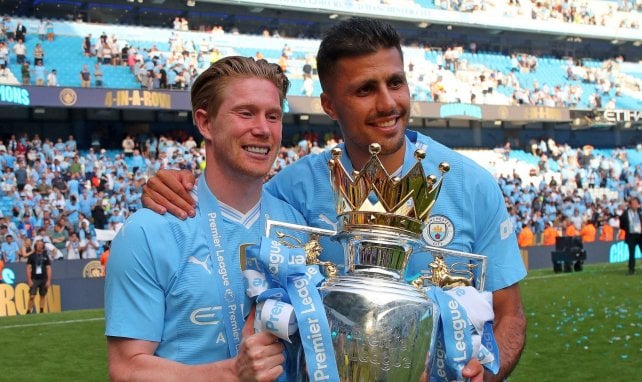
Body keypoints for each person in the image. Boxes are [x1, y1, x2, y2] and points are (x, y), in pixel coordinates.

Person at [142, 18, 527, 382]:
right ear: (329, 105)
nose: (387, 103)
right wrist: (177, 184)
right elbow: (232, 193)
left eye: (396, 83)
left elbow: (510, 314)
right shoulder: (291, 190)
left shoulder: (471, 185)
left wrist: (486, 375)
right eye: (365, 89)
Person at [104, 56, 307, 380]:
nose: (263, 129)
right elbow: (127, 367)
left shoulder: (296, 226)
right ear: (205, 123)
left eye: (273, 116)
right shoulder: (148, 230)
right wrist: (231, 374)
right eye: (246, 113)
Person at [26, 240, 52, 314]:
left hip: (44, 279)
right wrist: (29, 280)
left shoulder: (45, 256)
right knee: (32, 296)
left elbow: (49, 268)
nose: (40, 246)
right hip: (34, 279)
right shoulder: (31, 256)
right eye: (38, 245)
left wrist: (48, 280)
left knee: (42, 295)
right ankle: (29, 311)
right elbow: (28, 268)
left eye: (41, 245)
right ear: (35, 246)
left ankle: (41, 310)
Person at [620, 196, 642, 275]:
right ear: (630, 205)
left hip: (640, 235)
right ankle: (631, 270)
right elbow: (622, 225)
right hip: (631, 235)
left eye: (637, 204)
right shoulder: (625, 214)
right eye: (634, 204)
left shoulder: (639, 212)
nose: (635, 205)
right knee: (631, 253)